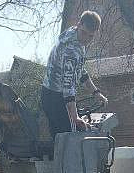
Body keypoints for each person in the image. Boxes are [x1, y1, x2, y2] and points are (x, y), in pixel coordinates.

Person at [41, 11, 106, 139]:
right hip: (56, 97)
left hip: (53, 95)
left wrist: (96, 92)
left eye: (90, 36)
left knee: (61, 141)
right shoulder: (70, 50)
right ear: (79, 25)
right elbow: (68, 86)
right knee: (70, 139)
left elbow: (80, 71)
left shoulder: (74, 36)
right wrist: (75, 117)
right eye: (84, 33)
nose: (86, 39)